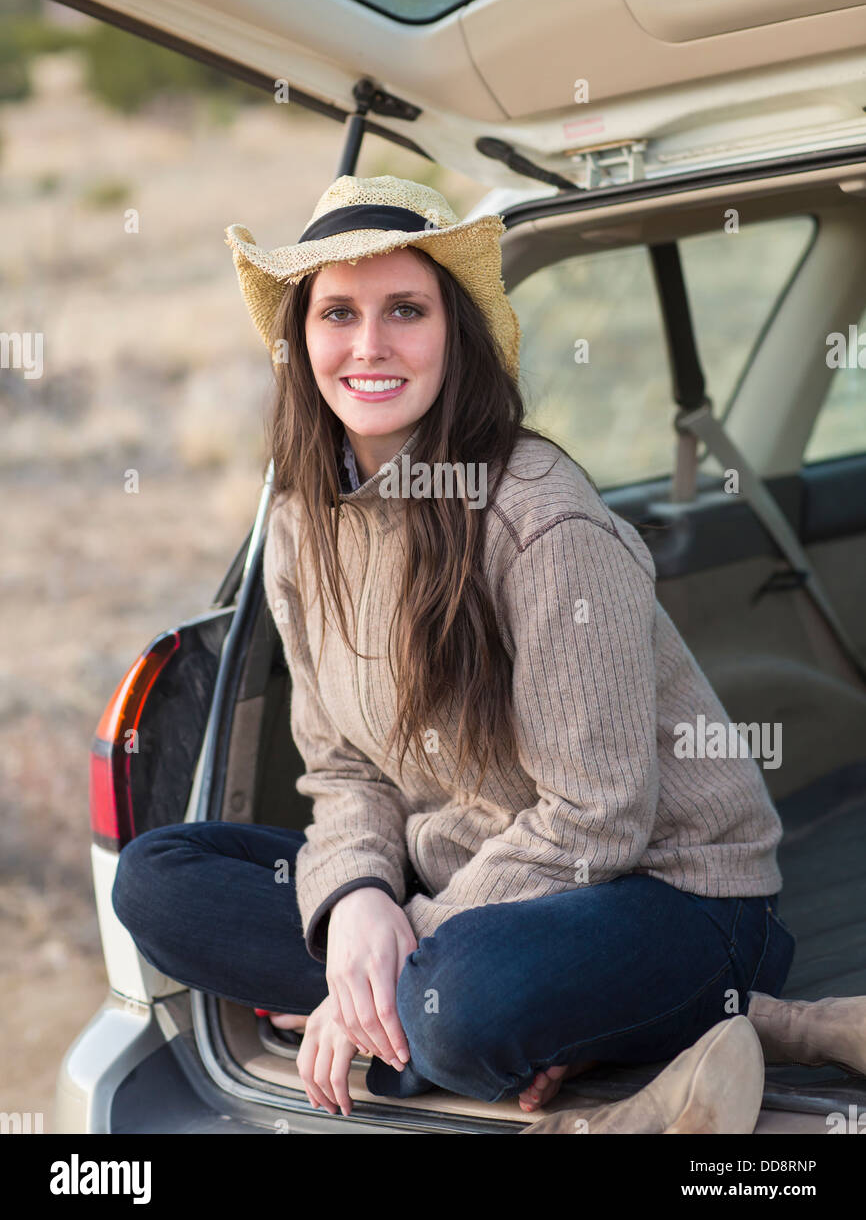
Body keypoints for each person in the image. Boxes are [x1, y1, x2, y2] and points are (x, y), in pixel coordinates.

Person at [112, 174, 864, 1134]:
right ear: (302, 339)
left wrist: (384, 966)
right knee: (159, 880)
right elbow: (341, 769)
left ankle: (719, 1014)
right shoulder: (302, 522)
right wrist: (355, 903)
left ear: (453, 333)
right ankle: (498, 1030)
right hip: (465, 886)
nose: (369, 344)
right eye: (338, 312)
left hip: (665, 896)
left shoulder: (540, 519)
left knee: (456, 1003)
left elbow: (598, 823)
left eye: (405, 311)